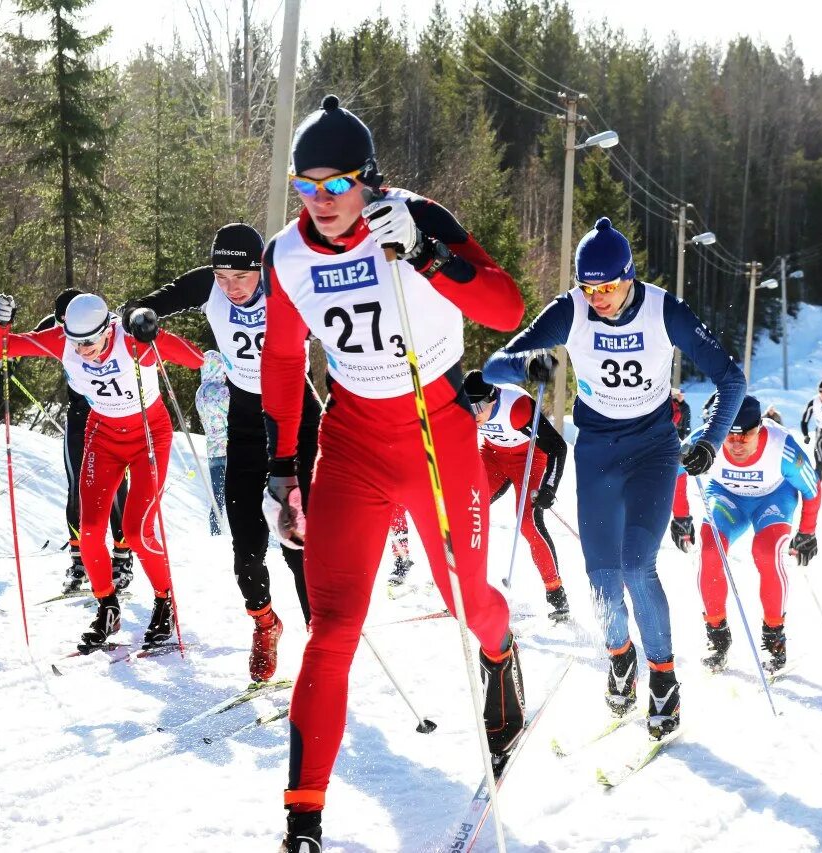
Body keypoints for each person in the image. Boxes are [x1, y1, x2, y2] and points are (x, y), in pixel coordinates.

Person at [261, 95, 526, 851]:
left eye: (337, 185)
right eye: (304, 186)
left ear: (369, 180)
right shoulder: (287, 255)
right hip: (351, 441)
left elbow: (505, 308)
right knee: (333, 627)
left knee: (467, 602)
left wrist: (429, 255)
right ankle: (303, 816)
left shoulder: (416, 217)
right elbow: (283, 358)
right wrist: (284, 467)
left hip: (437, 432)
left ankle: (502, 654)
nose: (321, 202)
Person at [483, 216, 745, 741]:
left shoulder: (663, 309)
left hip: (652, 449)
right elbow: (494, 364)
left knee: (635, 565)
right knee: (601, 574)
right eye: (588, 286)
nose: (597, 297)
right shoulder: (571, 311)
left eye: (607, 286)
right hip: (599, 450)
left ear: (630, 277)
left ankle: (664, 679)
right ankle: (620, 658)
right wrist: (526, 365)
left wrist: (711, 442)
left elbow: (731, 377)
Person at [125, 223, 318, 682]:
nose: (231, 287)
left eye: (241, 277)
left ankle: (322, 639)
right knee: (246, 550)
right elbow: (143, 303)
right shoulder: (208, 286)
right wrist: (141, 318)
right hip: (247, 422)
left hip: (295, 416)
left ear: (261, 270)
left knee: (299, 543)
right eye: (222, 276)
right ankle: (265, 624)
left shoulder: (286, 285)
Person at [0, 293, 203, 650]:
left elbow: (193, 359)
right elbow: (0, 349)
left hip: (149, 433)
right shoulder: (62, 341)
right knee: (88, 532)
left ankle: (165, 601)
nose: (82, 350)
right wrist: (1, 322)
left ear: (108, 329)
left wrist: (154, 332)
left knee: (135, 530)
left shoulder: (130, 342)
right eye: (75, 341)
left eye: (90, 342)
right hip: (103, 436)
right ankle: (107, 607)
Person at [670, 395, 820, 674]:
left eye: (746, 436)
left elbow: (812, 489)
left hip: (772, 499)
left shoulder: (781, 448)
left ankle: (774, 637)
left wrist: (807, 532)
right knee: (710, 552)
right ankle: (717, 637)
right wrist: (680, 516)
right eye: (730, 436)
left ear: (760, 428)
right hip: (727, 498)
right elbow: (676, 470)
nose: (737, 444)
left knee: (766, 552)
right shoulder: (704, 439)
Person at [32, 289, 132, 595]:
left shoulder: (104, 325)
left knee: (116, 488)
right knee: (76, 486)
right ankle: (78, 562)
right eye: (63, 325)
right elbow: (34, 340)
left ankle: (122, 557)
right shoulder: (57, 325)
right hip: (78, 417)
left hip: (110, 415)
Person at [463, 370, 570, 620]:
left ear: (492, 399)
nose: (473, 413)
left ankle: (556, 594)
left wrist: (549, 488)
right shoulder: (470, 408)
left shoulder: (517, 408)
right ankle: (466, 590)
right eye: (468, 406)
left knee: (529, 524)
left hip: (529, 459)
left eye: (478, 406)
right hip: (492, 457)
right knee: (467, 514)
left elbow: (558, 447)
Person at [196, 350, 230, 537]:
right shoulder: (223, 391)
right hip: (229, 447)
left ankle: (215, 529)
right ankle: (234, 528)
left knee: (217, 494)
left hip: (212, 449)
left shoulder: (200, 392)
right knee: (234, 491)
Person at [386, 505, 415, 588]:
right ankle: (400, 566)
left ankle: (404, 568)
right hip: (395, 524)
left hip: (401, 525)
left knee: (402, 546)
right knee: (396, 548)